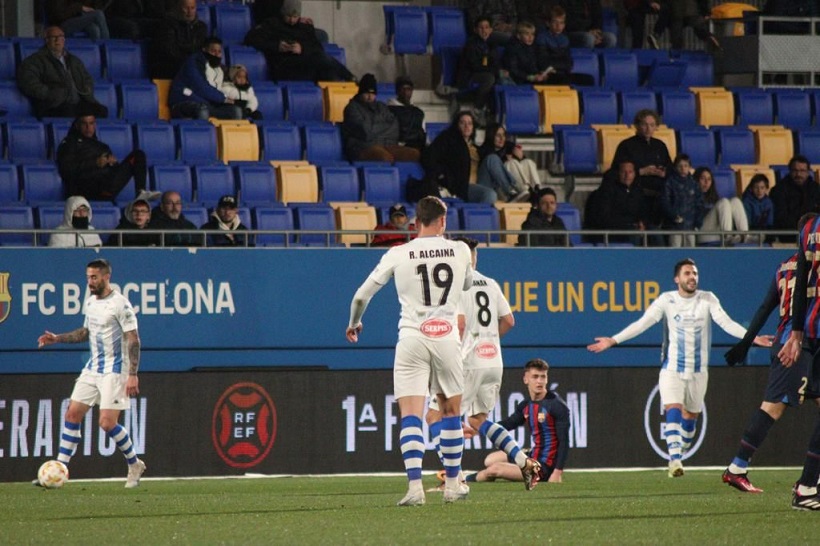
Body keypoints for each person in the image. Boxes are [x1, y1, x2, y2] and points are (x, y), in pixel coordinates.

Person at [587, 258, 771, 478]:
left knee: (690, 419)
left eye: (695, 273)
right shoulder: (667, 300)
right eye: (687, 273)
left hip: (699, 371)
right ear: (677, 279)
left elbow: (726, 322)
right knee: (672, 407)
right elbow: (642, 323)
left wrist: (752, 338)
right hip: (672, 368)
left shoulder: (707, 298)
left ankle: (678, 450)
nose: (692, 277)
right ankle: (674, 459)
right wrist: (613, 340)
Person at [346, 196, 473, 506]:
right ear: (443, 221)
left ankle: (415, 488)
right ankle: (453, 484)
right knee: (451, 412)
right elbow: (467, 285)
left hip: (412, 338)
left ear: (416, 222)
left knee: (411, 415)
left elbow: (362, 296)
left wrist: (354, 323)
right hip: (446, 338)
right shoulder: (460, 250)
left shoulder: (398, 253)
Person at [425, 237, 541, 490]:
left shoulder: (455, 285)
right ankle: (524, 462)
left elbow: (461, 324)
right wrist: (488, 340)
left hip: (466, 363)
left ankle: (451, 480)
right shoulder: (490, 283)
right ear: (475, 258)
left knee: (435, 415)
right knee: (478, 420)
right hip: (493, 362)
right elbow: (509, 320)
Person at [722, 213, 817, 494]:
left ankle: (811, 479)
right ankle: (737, 468)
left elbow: (765, 307)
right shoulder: (812, 267)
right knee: (773, 407)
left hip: (798, 342)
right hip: (798, 345)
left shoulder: (782, 267)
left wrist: (745, 342)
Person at [35, 258, 146, 488]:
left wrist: (133, 374)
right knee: (72, 414)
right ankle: (60, 470)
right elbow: (85, 332)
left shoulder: (120, 304)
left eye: (94, 277)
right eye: (88, 277)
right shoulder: (91, 302)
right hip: (93, 368)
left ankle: (134, 463)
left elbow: (133, 339)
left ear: (107, 277)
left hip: (115, 370)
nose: (90, 282)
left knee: (106, 423)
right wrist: (58, 338)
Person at [464, 358, 569, 485]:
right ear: (526, 379)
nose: (540, 381)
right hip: (533, 454)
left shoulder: (556, 405)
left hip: (543, 467)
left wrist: (557, 473)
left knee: (494, 469)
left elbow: (564, 443)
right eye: (535, 377)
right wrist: (477, 430)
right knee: (490, 460)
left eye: (543, 377)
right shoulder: (526, 405)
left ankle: (464, 479)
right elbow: (508, 424)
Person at [777, 213, 820, 510]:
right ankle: (806, 485)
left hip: (813, 329)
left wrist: (796, 334)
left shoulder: (809, 227)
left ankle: (808, 484)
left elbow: (802, 288)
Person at [244, 0, 354, 82]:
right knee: (321, 58)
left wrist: (302, 48)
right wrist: (278, 46)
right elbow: (251, 39)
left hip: (304, 65)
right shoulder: (273, 24)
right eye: (288, 16)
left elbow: (317, 47)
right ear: (283, 13)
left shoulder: (305, 27)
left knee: (329, 73)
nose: (292, 20)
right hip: (284, 66)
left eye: (295, 16)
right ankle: (350, 77)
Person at [56, 113, 154, 202]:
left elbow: (114, 171)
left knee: (138, 155)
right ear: (77, 125)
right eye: (84, 124)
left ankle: (141, 193)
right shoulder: (69, 144)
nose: (88, 127)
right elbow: (67, 169)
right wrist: (95, 163)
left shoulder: (102, 146)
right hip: (85, 189)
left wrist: (113, 164)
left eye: (91, 123)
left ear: (95, 125)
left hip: (107, 187)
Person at [16, 26, 108, 120]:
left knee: (101, 111)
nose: (57, 40)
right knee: (69, 112)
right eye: (53, 37)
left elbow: (87, 78)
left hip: (78, 102)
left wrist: (86, 89)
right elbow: (28, 82)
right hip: (53, 105)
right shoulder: (35, 60)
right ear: (46, 40)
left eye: (60, 37)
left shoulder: (74, 60)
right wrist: (49, 94)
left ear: (64, 40)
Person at [421, 110, 497, 204]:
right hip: (462, 186)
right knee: (489, 194)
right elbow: (429, 157)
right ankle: (476, 216)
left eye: (470, 123)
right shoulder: (448, 139)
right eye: (462, 123)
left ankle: (512, 191)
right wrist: (443, 175)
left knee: (493, 159)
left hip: (478, 182)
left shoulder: (475, 147)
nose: (466, 126)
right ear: (456, 125)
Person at [341, 74, 420, 163]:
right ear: (360, 93)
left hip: (385, 145)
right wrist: (383, 127)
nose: (370, 97)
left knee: (414, 154)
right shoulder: (352, 108)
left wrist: (373, 127)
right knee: (384, 157)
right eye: (367, 93)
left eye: (373, 94)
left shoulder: (381, 107)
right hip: (361, 147)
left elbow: (394, 127)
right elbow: (365, 131)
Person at [169, 36, 243, 121]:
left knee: (235, 111)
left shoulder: (219, 69)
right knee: (202, 110)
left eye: (219, 52)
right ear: (204, 50)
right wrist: (224, 99)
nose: (216, 55)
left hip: (207, 104)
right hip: (183, 101)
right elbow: (200, 87)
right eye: (213, 51)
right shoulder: (193, 63)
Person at [585, 160, 648, 245]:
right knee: (634, 234)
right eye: (623, 172)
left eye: (630, 172)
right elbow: (604, 218)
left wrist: (642, 222)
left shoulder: (637, 191)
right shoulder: (606, 192)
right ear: (618, 173)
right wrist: (629, 225)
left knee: (654, 232)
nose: (627, 175)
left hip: (632, 226)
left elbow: (643, 211)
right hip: (612, 231)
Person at [534, 5, 594, 86]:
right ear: (548, 23)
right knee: (563, 80)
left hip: (562, 73)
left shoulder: (564, 39)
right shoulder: (542, 38)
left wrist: (558, 66)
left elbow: (569, 63)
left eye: (561, 22)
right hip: (548, 75)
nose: (558, 26)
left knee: (588, 79)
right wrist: (560, 65)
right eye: (555, 22)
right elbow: (544, 62)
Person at [478, 122, 539, 202]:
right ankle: (516, 192)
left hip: (514, 184)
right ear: (491, 136)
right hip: (496, 186)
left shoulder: (509, 146)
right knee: (511, 163)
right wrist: (506, 160)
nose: (502, 138)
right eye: (498, 135)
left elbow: (522, 163)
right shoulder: (484, 150)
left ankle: (536, 189)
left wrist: (520, 157)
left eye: (503, 135)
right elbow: (495, 168)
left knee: (528, 162)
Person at [457, 16, 502, 124]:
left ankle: (495, 113)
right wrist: (492, 70)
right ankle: (477, 109)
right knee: (489, 79)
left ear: (491, 30)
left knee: (500, 78)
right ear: (475, 30)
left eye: (487, 27)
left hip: (486, 73)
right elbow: (475, 66)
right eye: (481, 28)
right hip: (470, 76)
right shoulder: (471, 44)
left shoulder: (492, 44)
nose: (484, 30)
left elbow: (496, 63)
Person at [149, 0, 209, 80]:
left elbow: (201, 49)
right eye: (186, 8)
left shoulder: (201, 27)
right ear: (178, 8)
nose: (190, 11)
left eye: (192, 8)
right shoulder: (167, 25)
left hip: (192, 66)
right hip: (170, 68)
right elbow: (170, 51)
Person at [769, 155, 820, 243]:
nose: (798, 174)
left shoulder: (816, 190)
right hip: (788, 238)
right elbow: (780, 218)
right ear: (790, 171)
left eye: (802, 171)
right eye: (795, 171)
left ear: (808, 172)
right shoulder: (779, 190)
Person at [696, 166, 749, 245]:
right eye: (703, 178)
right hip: (701, 234)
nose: (706, 182)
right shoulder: (691, 195)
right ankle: (727, 236)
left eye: (709, 179)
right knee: (723, 202)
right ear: (696, 180)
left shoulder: (714, 196)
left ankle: (745, 236)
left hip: (717, 234)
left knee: (735, 201)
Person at [662, 155, 704, 247]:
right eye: (680, 166)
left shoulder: (694, 184)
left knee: (690, 251)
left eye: (685, 165)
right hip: (675, 226)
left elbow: (699, 204)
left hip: (690, 225)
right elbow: (665, 202)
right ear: (675, 167)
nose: (683, 168)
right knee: (675, 250)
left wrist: (698, 222)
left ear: (689, 167)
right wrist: (673, 216)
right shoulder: (670, 182)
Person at [648, 0, 720, 51]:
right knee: (698, 25)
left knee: (677, 36)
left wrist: (654, 2)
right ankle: (708, 36)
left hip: (674, 9)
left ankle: (676, 55)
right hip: (690, 8)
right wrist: (706, 12)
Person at [502, 21, 555, 86]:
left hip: (534, 79)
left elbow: (540, 62)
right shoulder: (512, 48)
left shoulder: (534, 47)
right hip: (519, 81)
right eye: (527, 34)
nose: (530, 37)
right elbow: (513, 70)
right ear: (519, 36)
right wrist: (531, 77)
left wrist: (543, 71)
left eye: (532, 34)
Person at [552, 0, 617, 49]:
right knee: (588, 38)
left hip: (589, 32)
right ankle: (587, 65)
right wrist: (589, 32)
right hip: (569, 33)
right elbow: (566, 22)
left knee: (611, 39)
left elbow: (598, 18)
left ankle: (600, 65)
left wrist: (597, 33)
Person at [386, 76, 427, 152]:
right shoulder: (387, 110)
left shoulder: (419, 113)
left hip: (417, 148)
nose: (405, 93)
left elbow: (423, 134)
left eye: (408, 89)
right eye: (403, 89)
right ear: (397, 91)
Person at [45, 0, 110, 40]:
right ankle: (108, 45)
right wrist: (80, 8)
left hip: (76, 19)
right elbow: (59, 15)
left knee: (94, 29)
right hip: (61, 24)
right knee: (98, 14)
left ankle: (95, 56)